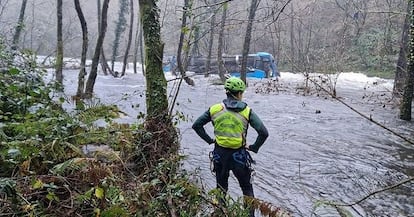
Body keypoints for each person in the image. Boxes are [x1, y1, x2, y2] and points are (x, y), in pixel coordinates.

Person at [192, 77, 269, 217]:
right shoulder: (247, 111)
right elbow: (263, 133)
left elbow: (196, 125)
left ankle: (221, 213)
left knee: (221, 189)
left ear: (226, 92)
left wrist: (209, 140)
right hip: (239, 156)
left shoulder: (215, 109)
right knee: (247, 189)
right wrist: (254, 147)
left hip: (220, 155)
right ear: (239, 93)